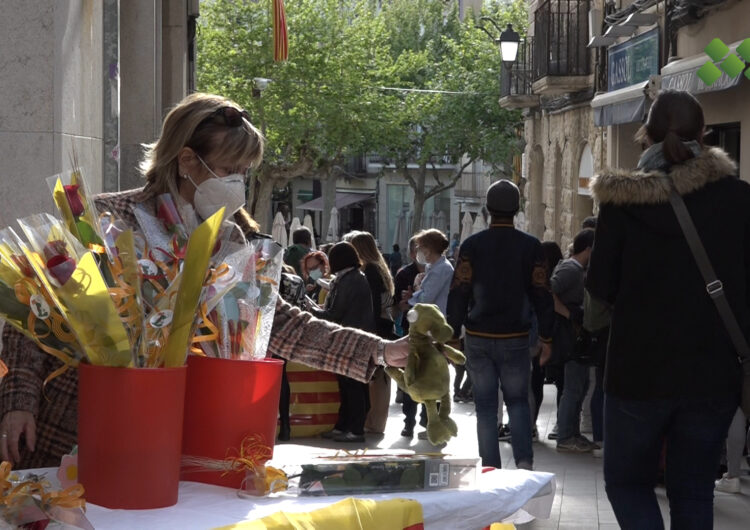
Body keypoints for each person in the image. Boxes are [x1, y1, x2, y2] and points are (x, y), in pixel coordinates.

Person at [0, 93, 408, 468]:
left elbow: (280, 324)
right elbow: (36, 313)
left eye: (245, 173)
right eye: (230, 170)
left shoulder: (230, 241)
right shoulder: (104, 220)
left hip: (184, 439)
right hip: (78, 429)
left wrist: (382, 351)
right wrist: (18, 402)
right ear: (186, 161)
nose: (238, 184)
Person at [586, 89, 747, 529]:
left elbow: (599, 285)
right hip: (713, 375)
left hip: (637, 373)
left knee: (627, 483)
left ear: (646, 137)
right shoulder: (739, 199)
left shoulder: (621, 203)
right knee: (694, 490)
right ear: (703, 135)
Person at [447, 179, 554, 471]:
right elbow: (543, 294)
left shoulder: (471, 246)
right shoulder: (531, 247)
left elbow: (459, 291)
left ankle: (490, 468)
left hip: (478, 337)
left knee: (484, 407)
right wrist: (546, 337)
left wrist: (452, 333)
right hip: (516, 338)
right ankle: (523, 463)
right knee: (517, 401)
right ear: (517, 208)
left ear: (488, 209)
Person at [309, 242, 375, 443]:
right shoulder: (352, 278)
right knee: (348, 385)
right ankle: (343, 425)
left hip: (351, 340)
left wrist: (310, 309)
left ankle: (355, 429)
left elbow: (334, 314)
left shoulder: (349, 281)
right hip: (354, 337)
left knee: (352, 386)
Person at [401, 229, 454, 440]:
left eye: (421, 247)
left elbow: (427, 296)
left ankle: (433, 422)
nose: (418, 251)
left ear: (430, 249)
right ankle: (420, 421)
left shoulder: (442, 269)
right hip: (425, 327)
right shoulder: (434, 267)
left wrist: (414, 292)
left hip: (430, 328)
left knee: (429, 374)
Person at [344, 231, 396, 434]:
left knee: (377, 378)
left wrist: (370, 333)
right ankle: (375, 421)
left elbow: (372, 304)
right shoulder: (378, 268)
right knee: (379, 377)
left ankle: (375, 421)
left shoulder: (371, 270)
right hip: (383, 325)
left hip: (376, 328)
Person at [552, 228, 596, 453]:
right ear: (588, 248)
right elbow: (549, 291)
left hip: (576, 336)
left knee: (580, 386)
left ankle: (573, 433)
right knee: (573, 388)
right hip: (570, 338)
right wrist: (568, 314)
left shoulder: (577, 269)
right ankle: (566, 436)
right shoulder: (570, 269)